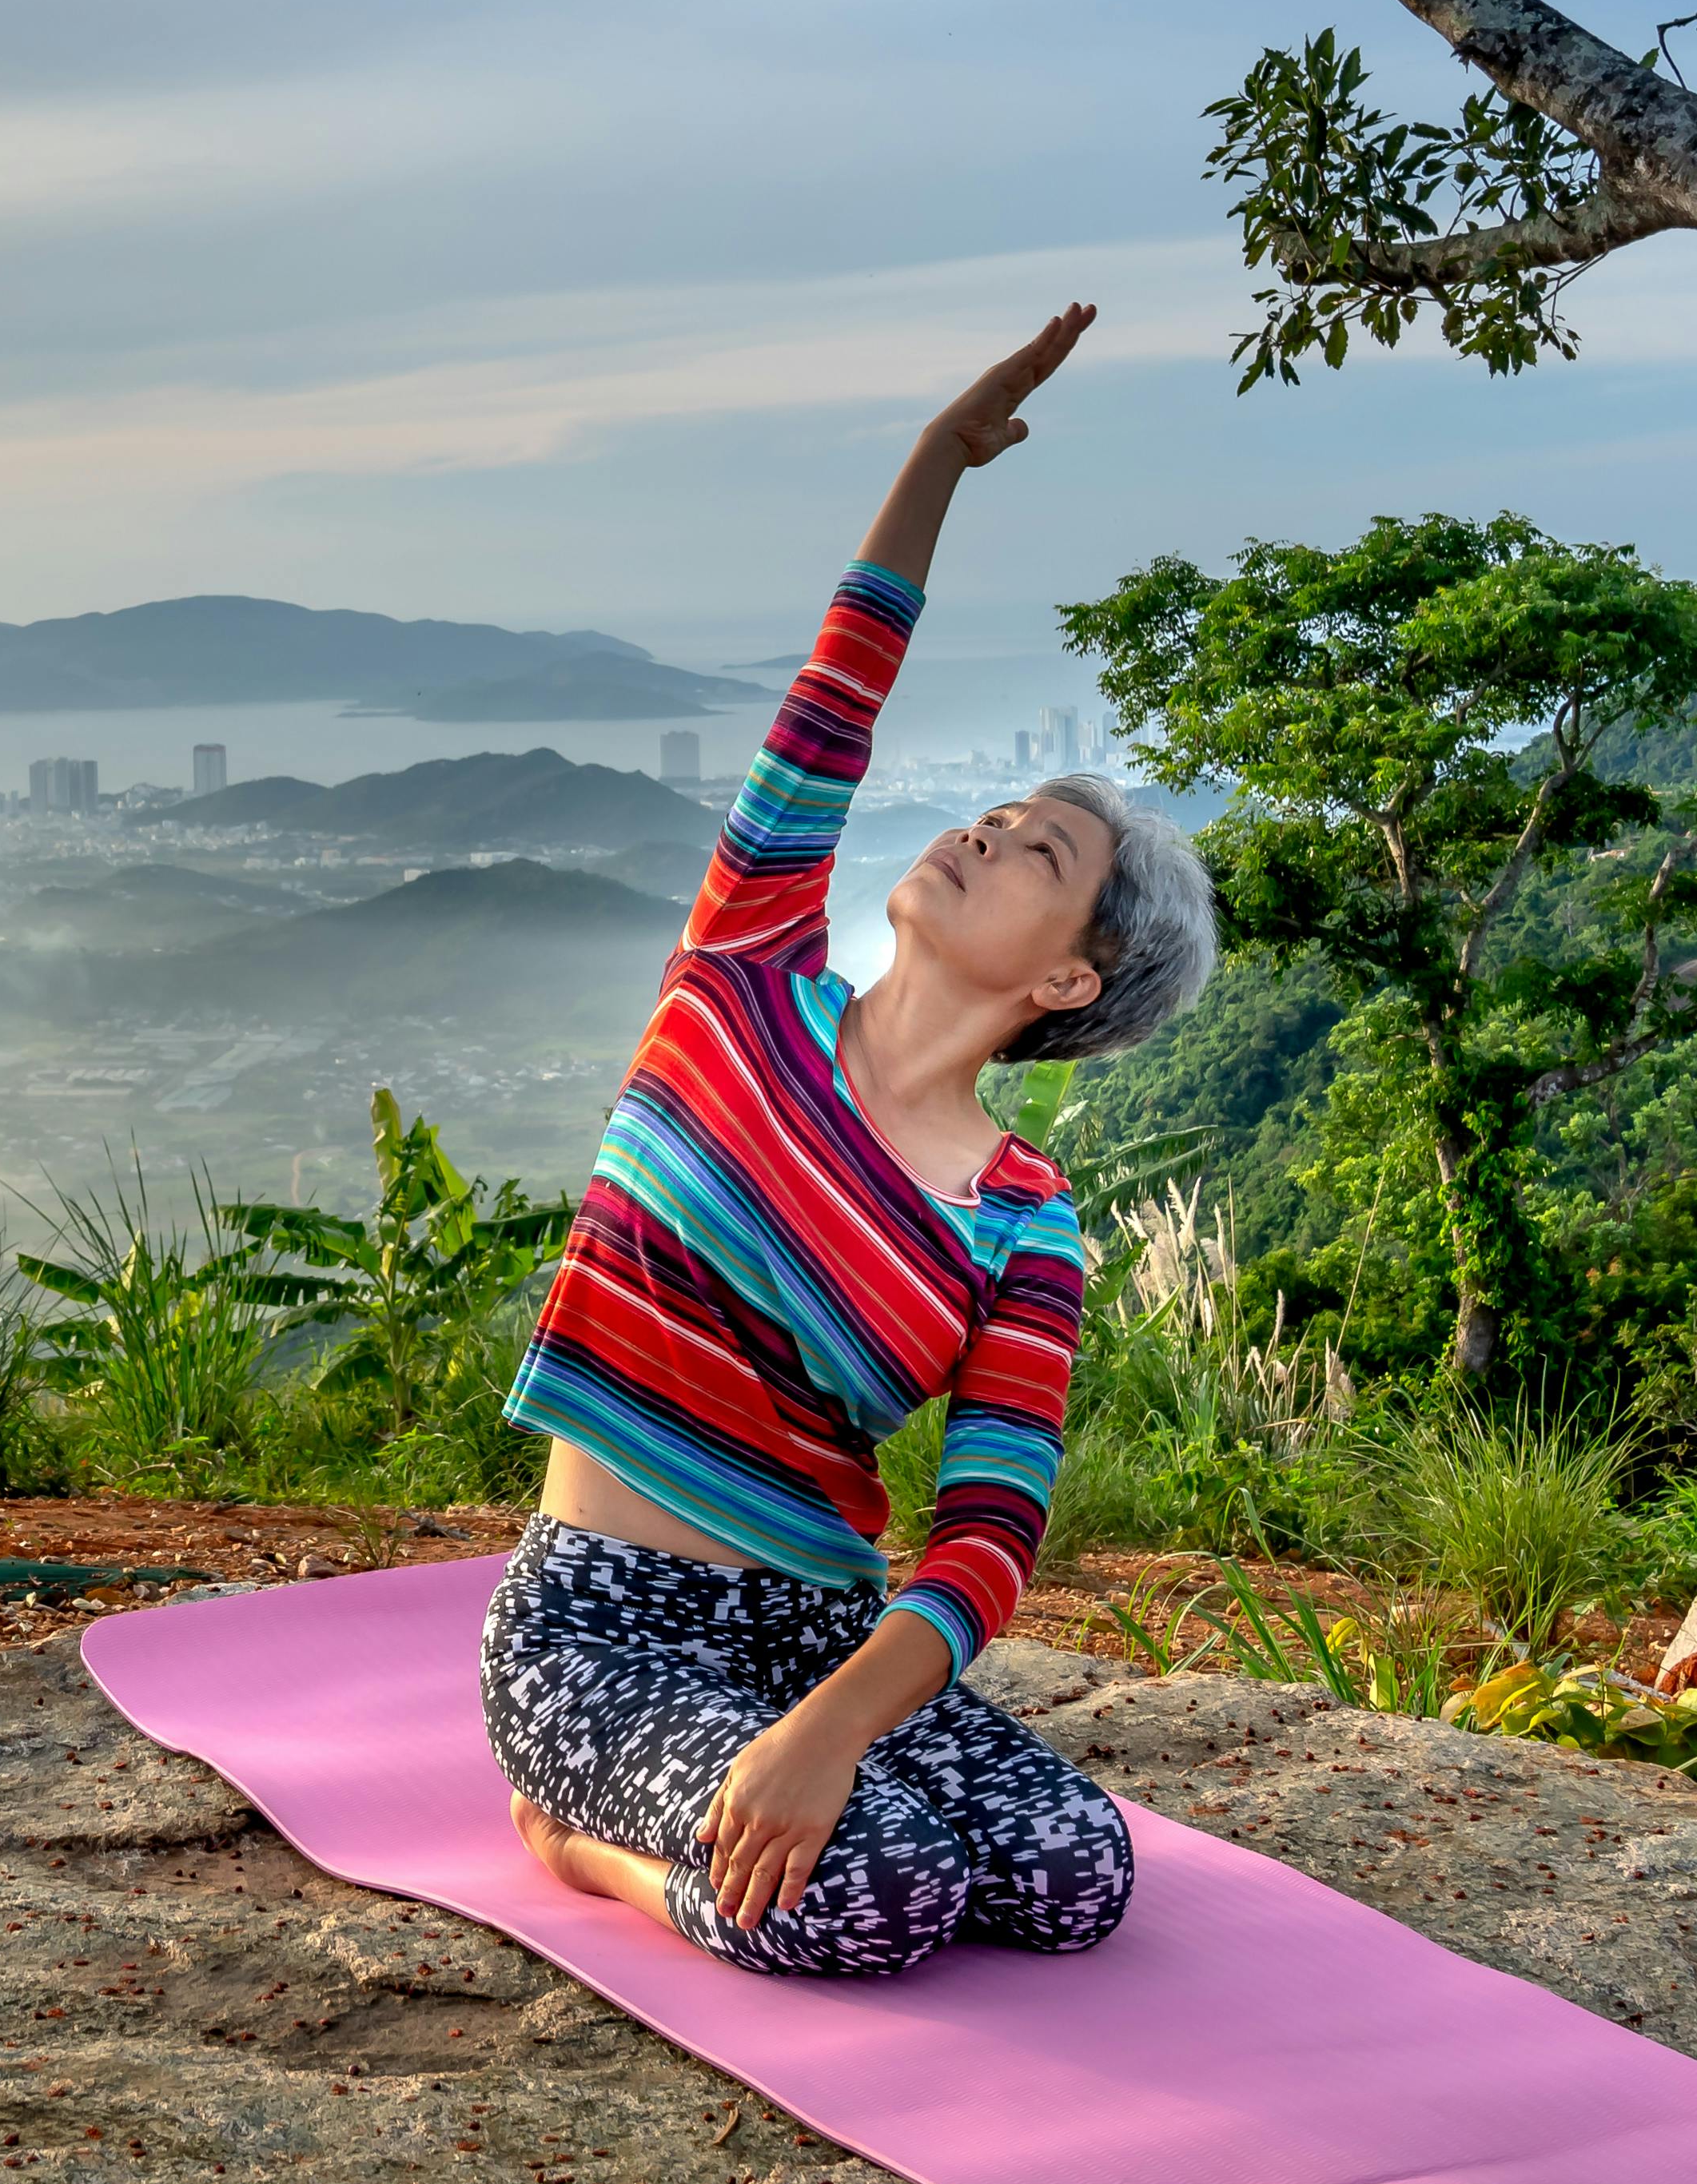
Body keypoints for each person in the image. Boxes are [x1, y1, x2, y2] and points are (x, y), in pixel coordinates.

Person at [484, 304, 1220, 1979]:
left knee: (1075, 1878)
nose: (981, 830)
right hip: (601, 1620)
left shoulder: (1024, 1216)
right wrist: (931, 466)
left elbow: (987, 1530)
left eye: (1034, 849)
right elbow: (830, 708)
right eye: (997, 812)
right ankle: (576, 1847)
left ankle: (794, 1774)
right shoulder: (743, 981)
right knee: (875, 1899)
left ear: (1065, 976)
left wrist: (830, 1722)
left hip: (822, 1632)